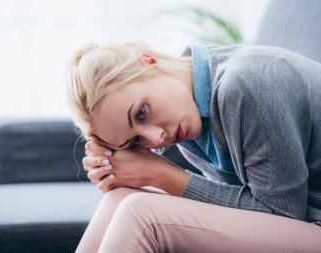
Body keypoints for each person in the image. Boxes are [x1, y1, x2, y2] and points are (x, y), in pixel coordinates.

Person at [67, 41, 321, 252]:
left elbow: (282, 215)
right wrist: (111, 159)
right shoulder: (190, 111)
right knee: (120, 199)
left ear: (148, 63)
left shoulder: (244, 87)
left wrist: (161, 174)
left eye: (142, 113)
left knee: (141, 213)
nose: (156, 139)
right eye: (135, 140)